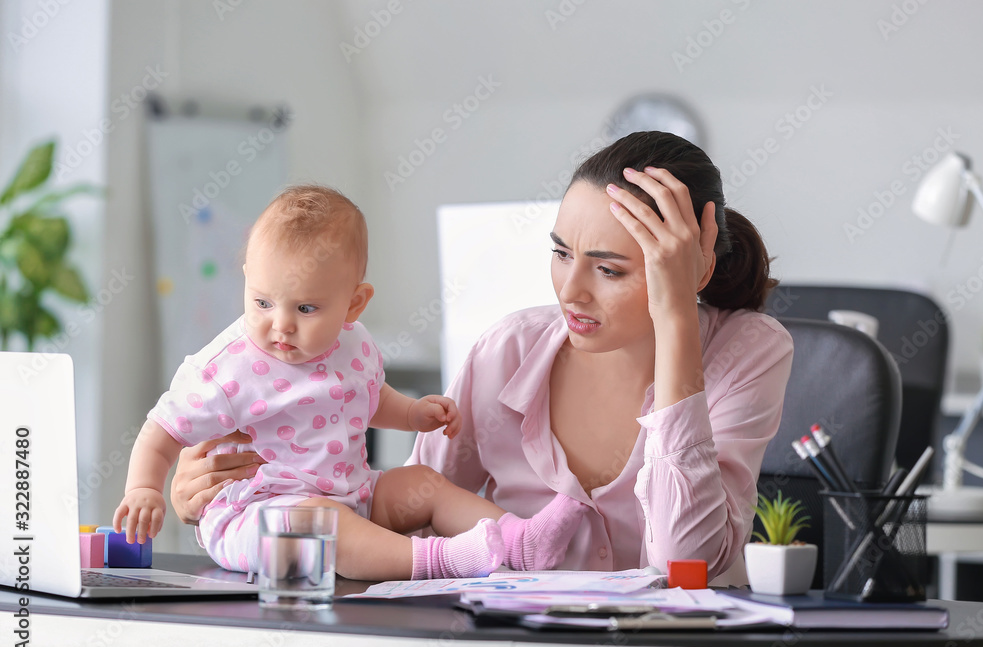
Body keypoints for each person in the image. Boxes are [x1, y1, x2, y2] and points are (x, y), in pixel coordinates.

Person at [170, 132, 794, 582]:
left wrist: (678, 318)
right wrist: (237, 503)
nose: (570, 290)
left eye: (608, 269)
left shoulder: (749, 351)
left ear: (696, 265)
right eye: (560, 253)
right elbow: (404, 526)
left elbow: (689, 567)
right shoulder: (507, 351)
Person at [115, 185, 586, 581]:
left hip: (355, 493)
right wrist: (143, 488)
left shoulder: (353, 343)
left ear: (354, 304)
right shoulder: (226, 368)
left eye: (305, 309)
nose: (280, 325)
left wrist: (410, 413)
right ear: (247, 280)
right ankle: (442, 559)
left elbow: (365, 396)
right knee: (320, 523)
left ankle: (520, 541)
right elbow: (162, 431)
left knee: (424, 482)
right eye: (262, 302)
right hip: (261, 517)